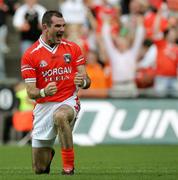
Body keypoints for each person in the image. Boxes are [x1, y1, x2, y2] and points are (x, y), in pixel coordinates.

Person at [21, 10, 91, 175]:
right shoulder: (30, 55)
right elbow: (31, 92)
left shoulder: (72, 48)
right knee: (40, 169)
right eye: (57, 26)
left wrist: (84, 81)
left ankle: (68, 167)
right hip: (44, 106)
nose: (62, 29)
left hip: (68, 101)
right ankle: (48, 154)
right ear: (45, 27)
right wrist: (44, 91)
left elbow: (87, 80)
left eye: (63, 26)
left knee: (60, 116)